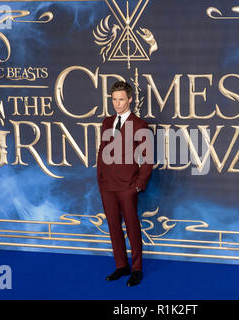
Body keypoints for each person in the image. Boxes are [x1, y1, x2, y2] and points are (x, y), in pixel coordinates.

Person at [97, 81, 153, 287]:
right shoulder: (107, 121)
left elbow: (148, 160)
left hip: (128, 186)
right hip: (107, 185)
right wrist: (100, 178)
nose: (117, 104)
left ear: (130, 100)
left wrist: (137, 186)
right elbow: (102, 152)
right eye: (114, 99)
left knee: (132, 227)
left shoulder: (140, 125)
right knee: (113, 226)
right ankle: (122, 266)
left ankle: (136, 268)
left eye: (121, 100)